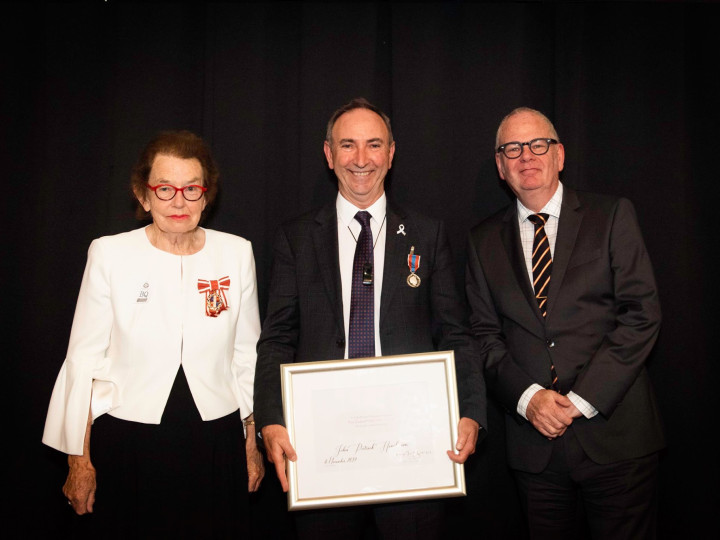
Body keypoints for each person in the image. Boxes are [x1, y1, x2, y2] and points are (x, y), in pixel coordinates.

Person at [253, 97, 487, 539]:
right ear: (328, 154)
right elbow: (277, 337)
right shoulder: (296, 238)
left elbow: (455, 333)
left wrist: (471, 411)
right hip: (322, 448)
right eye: (348, 145)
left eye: (374, 145)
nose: (361, 159)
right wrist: (270, 417)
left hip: (412, 445)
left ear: (392, 152)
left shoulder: (428, 234)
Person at [42, 130, 264, 538]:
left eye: (191, 188)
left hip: (215, 443)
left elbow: (247, 353)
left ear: (206, 195)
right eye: (164, 188)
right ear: (143, 196)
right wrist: (79, 460)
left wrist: (252, 441)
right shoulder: (109, 254)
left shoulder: (236, 252)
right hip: (129, 442)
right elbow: (82, 361)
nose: (178, 201)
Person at [465, 107, 665, 539]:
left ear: (559, 154)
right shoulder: (481, 242)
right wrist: (529, 399)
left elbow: (641, 314)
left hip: (617, 439)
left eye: (538, 144)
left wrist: (581, 399)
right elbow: (483, 337)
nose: (526, 157)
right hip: (535, 449)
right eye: (512, 149)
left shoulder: (611, 215)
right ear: (500, 167)